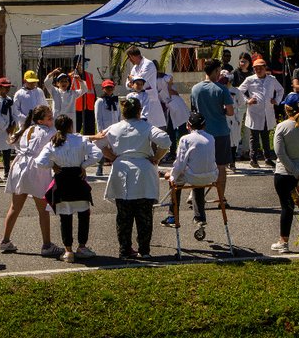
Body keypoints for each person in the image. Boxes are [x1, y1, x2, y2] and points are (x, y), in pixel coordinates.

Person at [100, 97, 171, 259]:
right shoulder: (146, 126)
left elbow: (99, 144)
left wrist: (112, 156)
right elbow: (166, 141)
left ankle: (125, 250)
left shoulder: (114, 128)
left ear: (123, 113)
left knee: (124, 216)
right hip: (143, 170)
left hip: (121, 169)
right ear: (139, 111)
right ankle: (144, 250)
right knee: (144, 215)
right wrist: (157, 157)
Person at [36, 115, 103, 262]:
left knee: (65, 218)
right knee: (84, 215)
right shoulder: (80, 139)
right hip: (77, 178)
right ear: (71, 126)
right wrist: (83, 165)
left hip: (62, 180)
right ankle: (82, 247)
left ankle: (68, 251)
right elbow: (98, 154)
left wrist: (53, 165)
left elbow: (40, 162)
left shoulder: (53, 142)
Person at [0, 106, 60, 257]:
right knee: (43, 209)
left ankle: (5, 241)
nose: (52, 119)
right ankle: (46, 245)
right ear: (41, 120)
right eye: (49, 118)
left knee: (15, 207)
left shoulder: (26, 129)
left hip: (20, 166)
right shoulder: (50, 132)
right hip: (36, 169)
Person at [270, 94, 299, 254]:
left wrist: (295, 171)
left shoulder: (282, 127)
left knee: (286, 207)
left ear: (286, 109)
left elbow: (280, 153)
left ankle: (284, 241)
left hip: (285, 173)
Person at [160, 113, 217, 230]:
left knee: (176, 181)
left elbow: (180, 163)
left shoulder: (185, 139)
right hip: (211, 175)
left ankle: (172, 216)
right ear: (204, 126)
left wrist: (171, 176)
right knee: (198, 181)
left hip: (194, 175)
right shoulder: (211, 138)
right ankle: (200, 217)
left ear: (188, 125)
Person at [191, 59, 234, 204]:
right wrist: (220, 110)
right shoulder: (222, 89)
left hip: (201, 132)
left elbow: (193, 111)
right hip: (220, 132)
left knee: (199, 165)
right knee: (221, 166)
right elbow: (230, 112)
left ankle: (195, 196)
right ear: (216, 71)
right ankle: (221, 198)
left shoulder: (195, 89)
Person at [239, 57, 284, 168]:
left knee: (265, 136)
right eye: (256, 68)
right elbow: (239, 91)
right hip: (254, 112)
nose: (258, 70)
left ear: (265, 68)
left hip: (267, 113)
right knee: (254, 137)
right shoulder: (250, 79)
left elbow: (280, 90)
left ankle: (267, 158)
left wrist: (276, 100)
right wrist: (247, 100)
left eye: (260, 68)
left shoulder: (272, 79)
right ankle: (253, 158)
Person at [126, 46, 167, 129]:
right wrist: (130, 82)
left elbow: (140, 80)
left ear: (133, 56)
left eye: (130, 58)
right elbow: (127, 83)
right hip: (138, 98)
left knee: (154, 127)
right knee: (140, 126)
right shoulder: (135, 67)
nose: (130, 60)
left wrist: (132, 79)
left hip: (150, 98)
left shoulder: (148, 64)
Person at [0, 77, 20, 184]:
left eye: (8, 88)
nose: (7, 90)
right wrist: (6, 126)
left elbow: (15, 113)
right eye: (5, 87)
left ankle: (7, 172)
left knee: (7, 151)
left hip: (9, 129)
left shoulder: (10, 100)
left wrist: (14, 124)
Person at [93, 79, 121, 176]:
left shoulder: (116, 100)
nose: (109, 89)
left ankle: (116, 167)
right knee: (102, 148)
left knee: (115, 148)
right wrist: (100, 130)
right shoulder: (100, 101)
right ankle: (99, 167)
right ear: (103, 89)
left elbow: (118, 115)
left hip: (115, 128)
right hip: (105, 128)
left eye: (111, 87)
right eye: (107, 88)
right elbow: (98, 117)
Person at [44, 67, 86, 132]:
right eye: (61, 81)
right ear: (57, 84)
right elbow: (47, 83)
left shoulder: (73, 93)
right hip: (57, 119)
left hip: (69, 119)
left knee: (70, 136)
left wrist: (80, 80)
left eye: (66, 81)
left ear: (68, 83)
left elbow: (84, 90)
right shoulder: (55, 91)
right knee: (57, 135)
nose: (64, 83)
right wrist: (53, 73)